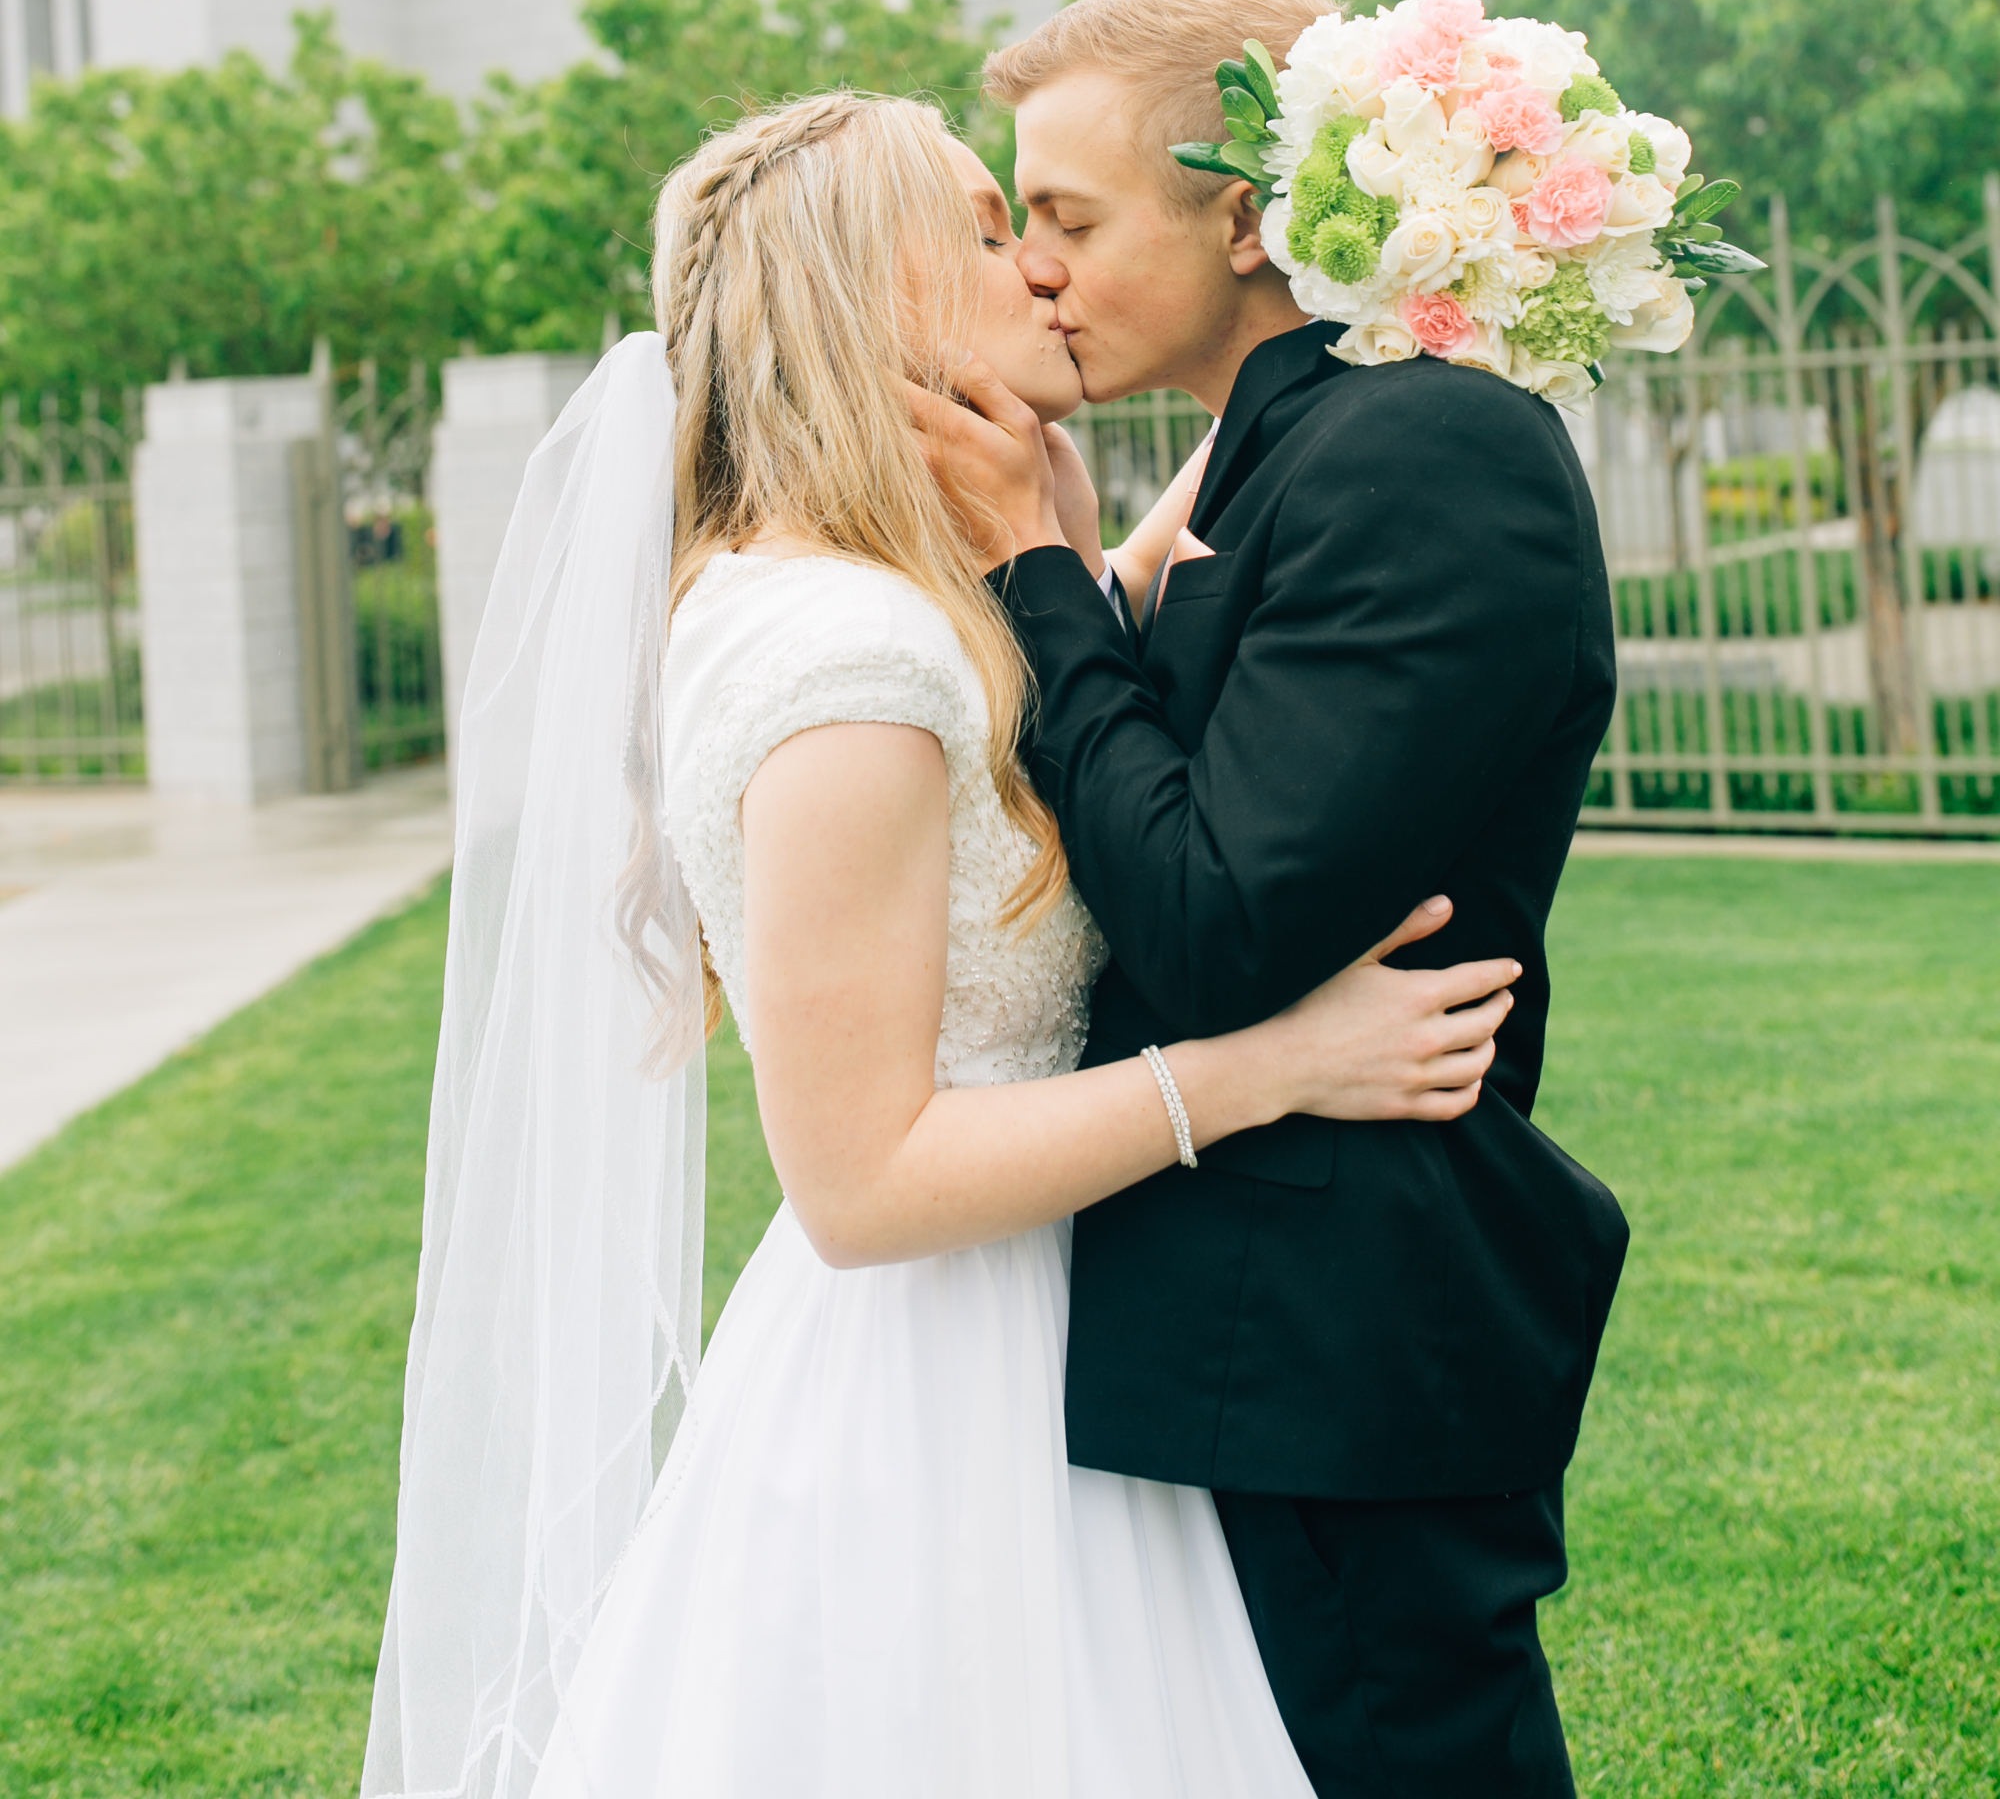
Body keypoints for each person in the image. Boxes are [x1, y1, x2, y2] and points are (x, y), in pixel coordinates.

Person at [363, 88, 1525, 1799]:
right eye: (992, 235)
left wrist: (1415, 250)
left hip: (1059, 1325)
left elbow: (1094, 625)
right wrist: (1272, 1068)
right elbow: (863, 1183)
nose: (1043, 272)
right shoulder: (847, 668)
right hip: (940, 1400)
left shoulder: (895, 605)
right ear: (880, 301)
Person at [915, 0, 1630, 1799]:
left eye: (1069, 217)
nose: (1038, 267)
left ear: (1241, 214)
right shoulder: (1287, 441)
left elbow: (1220, 917)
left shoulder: (1430, 450)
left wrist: (1043, 580)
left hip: (1341, 1325)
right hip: (1246, 1305)